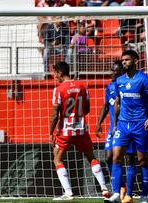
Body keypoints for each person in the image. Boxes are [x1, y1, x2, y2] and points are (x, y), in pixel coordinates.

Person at [49, 61, 110, 200]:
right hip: (81, 128)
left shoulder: (58, 89)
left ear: (60, 73)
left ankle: (68, 193)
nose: (54, 76)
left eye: (55, 74)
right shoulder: (83, 85)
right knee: (91, 157)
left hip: (65, 130)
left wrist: (50, 132)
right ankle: (104, 188)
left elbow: (55, 114)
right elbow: (87, 108)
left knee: (57, 159)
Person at [107, 50, 148, 203]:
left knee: (142, 160)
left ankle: (144, 196)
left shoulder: (143, 79)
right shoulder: (119, 81)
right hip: (123, 125)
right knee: (115, 157)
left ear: (135, 60)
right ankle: (117, 194)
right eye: (122, 60)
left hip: (140, 124)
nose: (124, 62)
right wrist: (115, 125)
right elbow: (117, 102)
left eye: (127, 60)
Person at [95, 60, 136, 203]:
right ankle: (120, 187)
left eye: (115, 71)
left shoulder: (127, 87)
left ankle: (127, 192)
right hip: (113, 128)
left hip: (126, 127)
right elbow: (106, 106)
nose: (112, 73)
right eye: (111, 70)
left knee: (129, 158)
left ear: (122, 73)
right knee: (108, 157)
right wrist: (99, 123)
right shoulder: (110, 86)